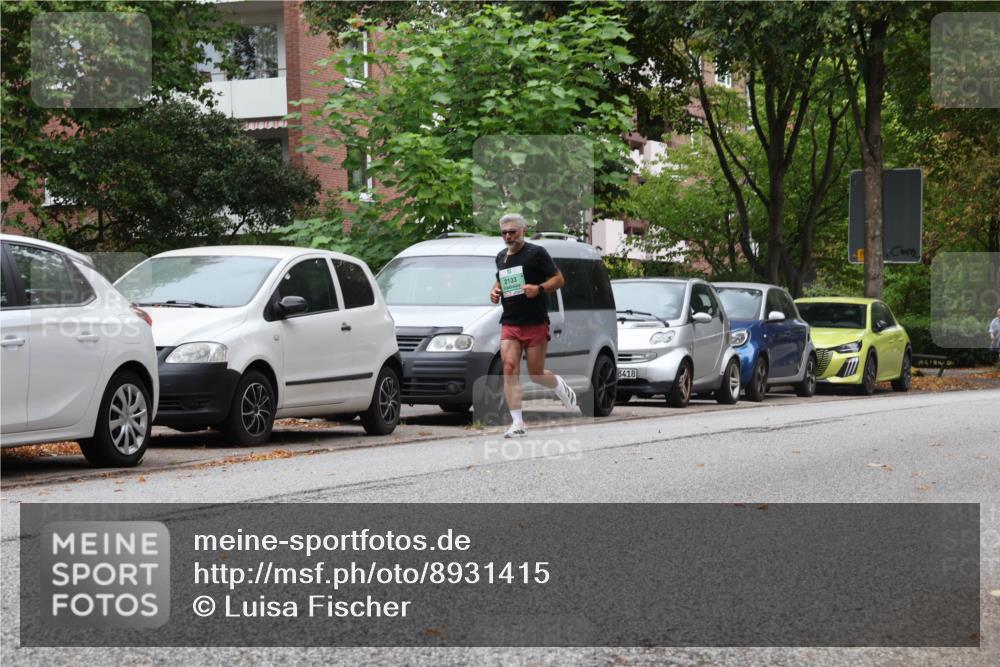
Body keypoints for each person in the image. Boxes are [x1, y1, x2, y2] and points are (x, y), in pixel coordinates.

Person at [489, 213, 576, 437]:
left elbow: (559, 280)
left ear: (523, 230)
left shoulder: (536, 253)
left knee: (536, 373)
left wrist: (539, 289)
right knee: (509, 369)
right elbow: (501, 279)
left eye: (512, 232)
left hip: (535, 321)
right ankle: (518, 423)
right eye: (504, 233)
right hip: (510, 321)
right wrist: (495, 291)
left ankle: (559, 386)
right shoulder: (501, 257)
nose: (508, 236)